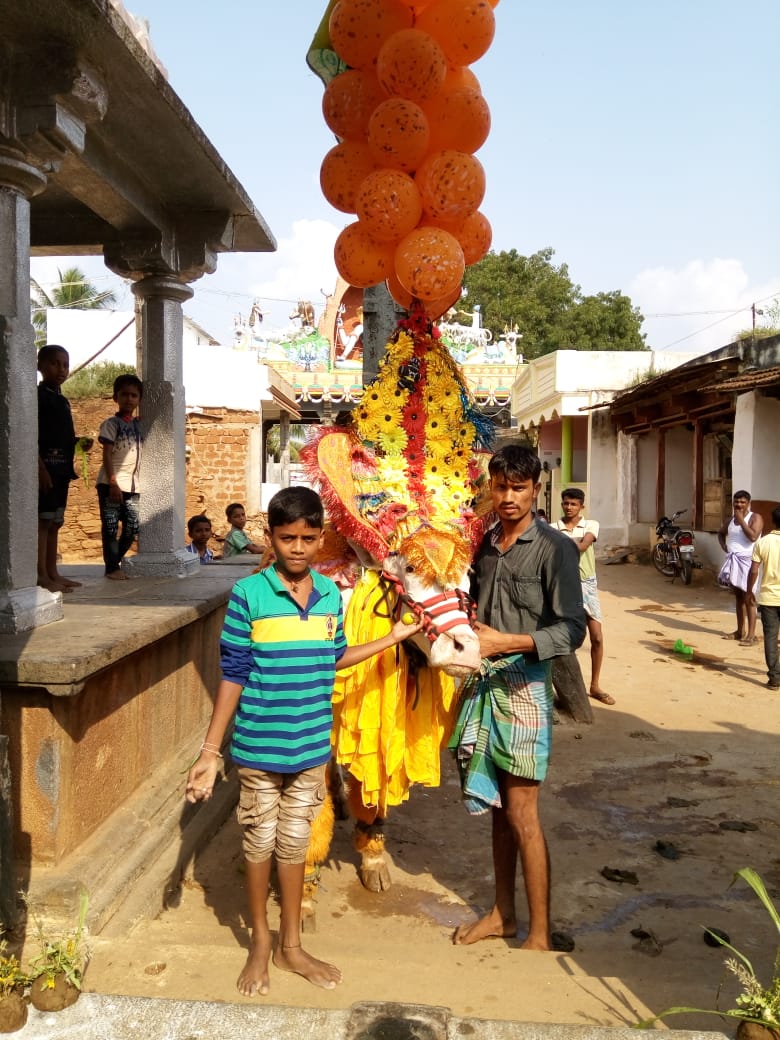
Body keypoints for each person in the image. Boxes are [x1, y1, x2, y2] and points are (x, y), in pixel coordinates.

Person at [185, 486, 421, 996]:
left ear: (321, 540)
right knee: (258, 843)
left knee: (294, 844)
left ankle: (292, 945)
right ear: (270, 537)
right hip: (258, 749)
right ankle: (260, 944)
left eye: (308, 539)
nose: (297, 548)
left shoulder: (331, 595)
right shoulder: (249, 595)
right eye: (287, 538)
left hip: (312, 747)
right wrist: (209, 753)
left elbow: (333, 657)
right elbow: (233, 673)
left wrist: (392, 639)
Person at [448, 444, 585, 951]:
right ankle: (502, 915)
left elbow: (571, 630)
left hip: (526, 688)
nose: (508, 497)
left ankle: (541, 932)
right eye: (500, 486)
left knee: (524, 813)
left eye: (519, 488)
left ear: (535, 490)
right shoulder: (482, 546)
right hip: (483, 685)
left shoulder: (555, 548)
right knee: (499, 807)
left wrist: (507, 641)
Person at [37, 345, 91, 593]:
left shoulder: (61, 399)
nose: (61, 369)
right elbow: (33, 436)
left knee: (56, 522)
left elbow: (58, 435)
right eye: (54, 363)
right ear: (40, 366)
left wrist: (77, 443)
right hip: (46, 469)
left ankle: (53, 572)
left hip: (62, 470)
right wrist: (40, 468)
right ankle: (41, 575)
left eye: (65, 364)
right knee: (43, 522)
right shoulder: (38, 398)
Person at [554, 488, 614, 705]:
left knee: (596, 636)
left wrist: (561, 542)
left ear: (581, 506)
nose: (569, 507)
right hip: (562, 585)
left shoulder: (590, 525)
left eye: (573, 504)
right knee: (560, 638)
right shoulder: (554, 527)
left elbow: (583, 545)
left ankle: (595, 685)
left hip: (587, 584)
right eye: (566, 503)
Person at [95, 374, 143, 580]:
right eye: (124, 394)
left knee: (132, 526)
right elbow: (106, 454)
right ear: (116, 397)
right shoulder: (111, 424)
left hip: (133, 486)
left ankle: (115, 560)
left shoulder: (138, 424)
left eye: (134, 395)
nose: (129, 399)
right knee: (111, 526)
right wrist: (113, 482)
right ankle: (112, 568)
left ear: (139, 399)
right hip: (111, 483)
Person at [718, 490, 763, 645]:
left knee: (749, 597)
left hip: (749, 563)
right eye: (736, 502)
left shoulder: (755, 518)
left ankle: (751, 635)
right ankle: (739, 631)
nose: (739, 505)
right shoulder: (730, 520)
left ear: (748, 503)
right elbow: (721, 533)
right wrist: (725, 546)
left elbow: (752, 537)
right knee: (738, 597)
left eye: (743, 502)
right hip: (733, 562)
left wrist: (741, 520)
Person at [746, 505, 780, 690]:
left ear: (772, 521)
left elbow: (754, 570)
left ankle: (775, 678)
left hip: (768, 598)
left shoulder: (763, 543)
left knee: (770, 637)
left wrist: (749, 590)